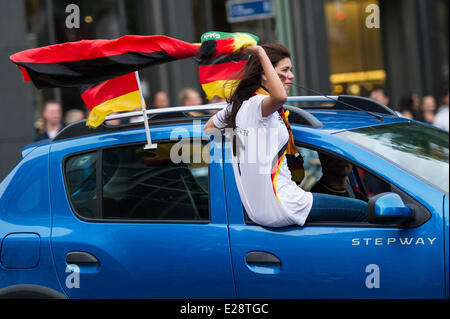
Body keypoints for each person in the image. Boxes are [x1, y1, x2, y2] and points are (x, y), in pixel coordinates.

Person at [204, 43, 367, 227]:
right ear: (266, 74)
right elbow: (280, 97)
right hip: (284, 203)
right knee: (364, 210)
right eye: (285, 70)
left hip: (261, 210)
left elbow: (209, 128)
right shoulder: (257, 104)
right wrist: (259, 52)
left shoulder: (239, 106)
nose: (291, 76)